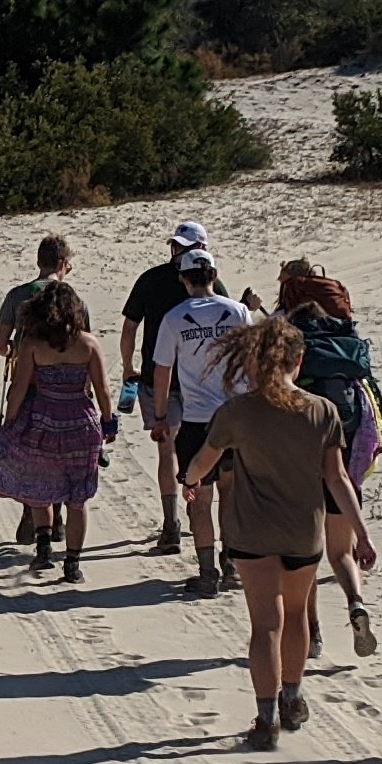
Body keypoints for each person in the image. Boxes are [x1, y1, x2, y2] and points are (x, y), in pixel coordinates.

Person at [185, 315, 369, 749]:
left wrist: (189, 481)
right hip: (303, 531)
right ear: (299, 361)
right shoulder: (323, 411)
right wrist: (362, 532)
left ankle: (266, 717)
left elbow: (203, 462)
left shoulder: (236, 412)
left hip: (251, 533)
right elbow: (339, 479)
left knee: (265, 623)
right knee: (297, 615)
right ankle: (293, 696)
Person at [275, 259, 382, 661]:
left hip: (300, 475)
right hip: (341, 463)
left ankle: (315, 635)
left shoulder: (291, 355)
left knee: (307, 558)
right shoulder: (345, 350)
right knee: (341, 552)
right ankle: (356, 601)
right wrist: (366, 535)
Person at [0, 278, 110, 581]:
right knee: (78, 499)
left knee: (40, 489)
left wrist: (9, 426)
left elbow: (19, 389)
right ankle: (73, 564)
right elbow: (102, 389)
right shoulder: (89, 344)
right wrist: (108, 424)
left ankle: (44, 550)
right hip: (81, 423)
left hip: (42, 421)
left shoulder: (32, 345)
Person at [150, 251, 255, 589]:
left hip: (196, 420)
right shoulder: (238, 312)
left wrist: (161, 415)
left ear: (184, 279)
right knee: (232, 492)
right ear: (214, 275)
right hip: (237, 416)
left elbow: (162, 371)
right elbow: (253, 362)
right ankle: (232, 563)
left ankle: (208, 570)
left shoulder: (174, 317)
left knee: (200, 495)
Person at [118, 221, 211, 556]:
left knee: (167, 452)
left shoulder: (150, 278)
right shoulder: (210, 281)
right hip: (200, 384)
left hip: (161, 381)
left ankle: (171, 525)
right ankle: (196, 521)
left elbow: (129, 327)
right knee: (204, 451)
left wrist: (128, 367)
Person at [0, 235, 78, 543]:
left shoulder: (18, 295)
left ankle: (34, 510)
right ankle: (59, 517)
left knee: (31, 452)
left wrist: (17, 350)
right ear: (63, 263)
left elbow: (0, 345)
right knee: (60, 453)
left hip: (27, 385)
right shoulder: (73, 298)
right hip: (64, 387)